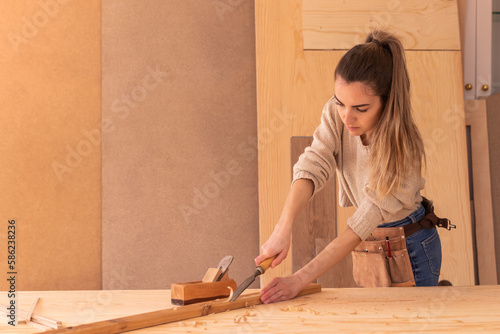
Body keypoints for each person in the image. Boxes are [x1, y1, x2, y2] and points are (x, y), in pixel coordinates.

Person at [255, 30, 443, 304]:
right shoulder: (337, 112)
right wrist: (282, 230)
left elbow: (358, 226)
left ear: (388, 101)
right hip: (371, 243)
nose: (347, 116)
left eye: (361, 108)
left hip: (409, 247)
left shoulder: (403, 152)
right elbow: (315, 161)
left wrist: (298, 280)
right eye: (341, 102)